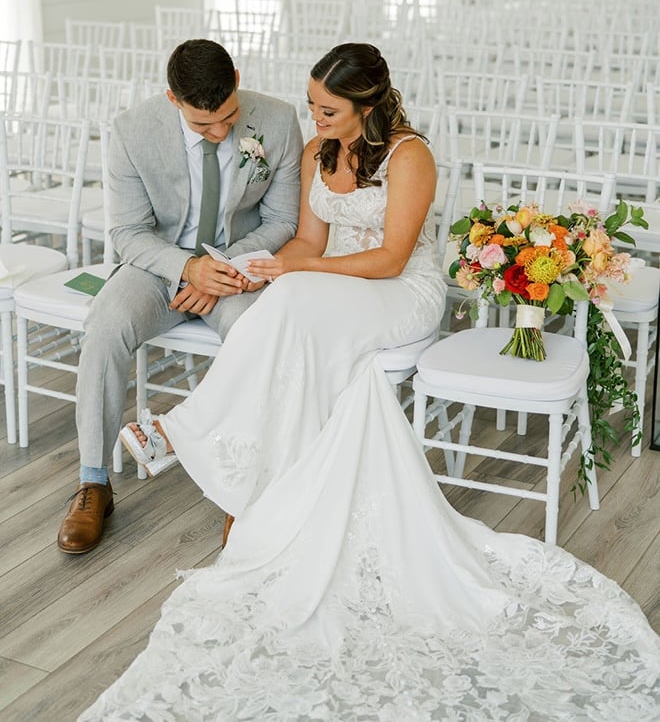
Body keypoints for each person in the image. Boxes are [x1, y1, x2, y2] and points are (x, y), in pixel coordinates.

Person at [80, 44, 659, 721]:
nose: (313, 118)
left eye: (327, 109)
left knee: (294, 301)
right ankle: (226, 455)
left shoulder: (411, 155)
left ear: (367, 105)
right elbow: (306, 246)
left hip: (400, 290)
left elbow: (387, 258)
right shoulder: (320, 150)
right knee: (284, 299)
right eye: (311, 106)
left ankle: (182, 429)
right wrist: (270, 266)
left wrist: (297, 276)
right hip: (336, 284)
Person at [57, 38, 304, 555]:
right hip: (160, 263)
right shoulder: (130, 131)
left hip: (238, 266)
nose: (221, 132)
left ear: (237, 77)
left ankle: (247, 487)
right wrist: (189, 267)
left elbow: (282, 220)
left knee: (256, 333)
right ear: (174, 100)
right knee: (103, 326)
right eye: (203, 125)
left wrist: (224, 268)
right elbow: (127, 233)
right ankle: (94, 481)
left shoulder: (278, 121)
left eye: (229, 119)